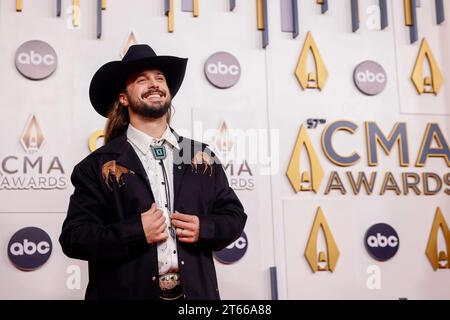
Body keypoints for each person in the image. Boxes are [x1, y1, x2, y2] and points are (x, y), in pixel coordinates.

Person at [59, 44, 247, 300]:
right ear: (124, 98)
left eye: (160, 78)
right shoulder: (96, 166)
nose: (155, 83)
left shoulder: (201, 156)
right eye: (142, 80)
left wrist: (204, 228)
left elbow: (234, 216)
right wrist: (136, 231)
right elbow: (74, 238)